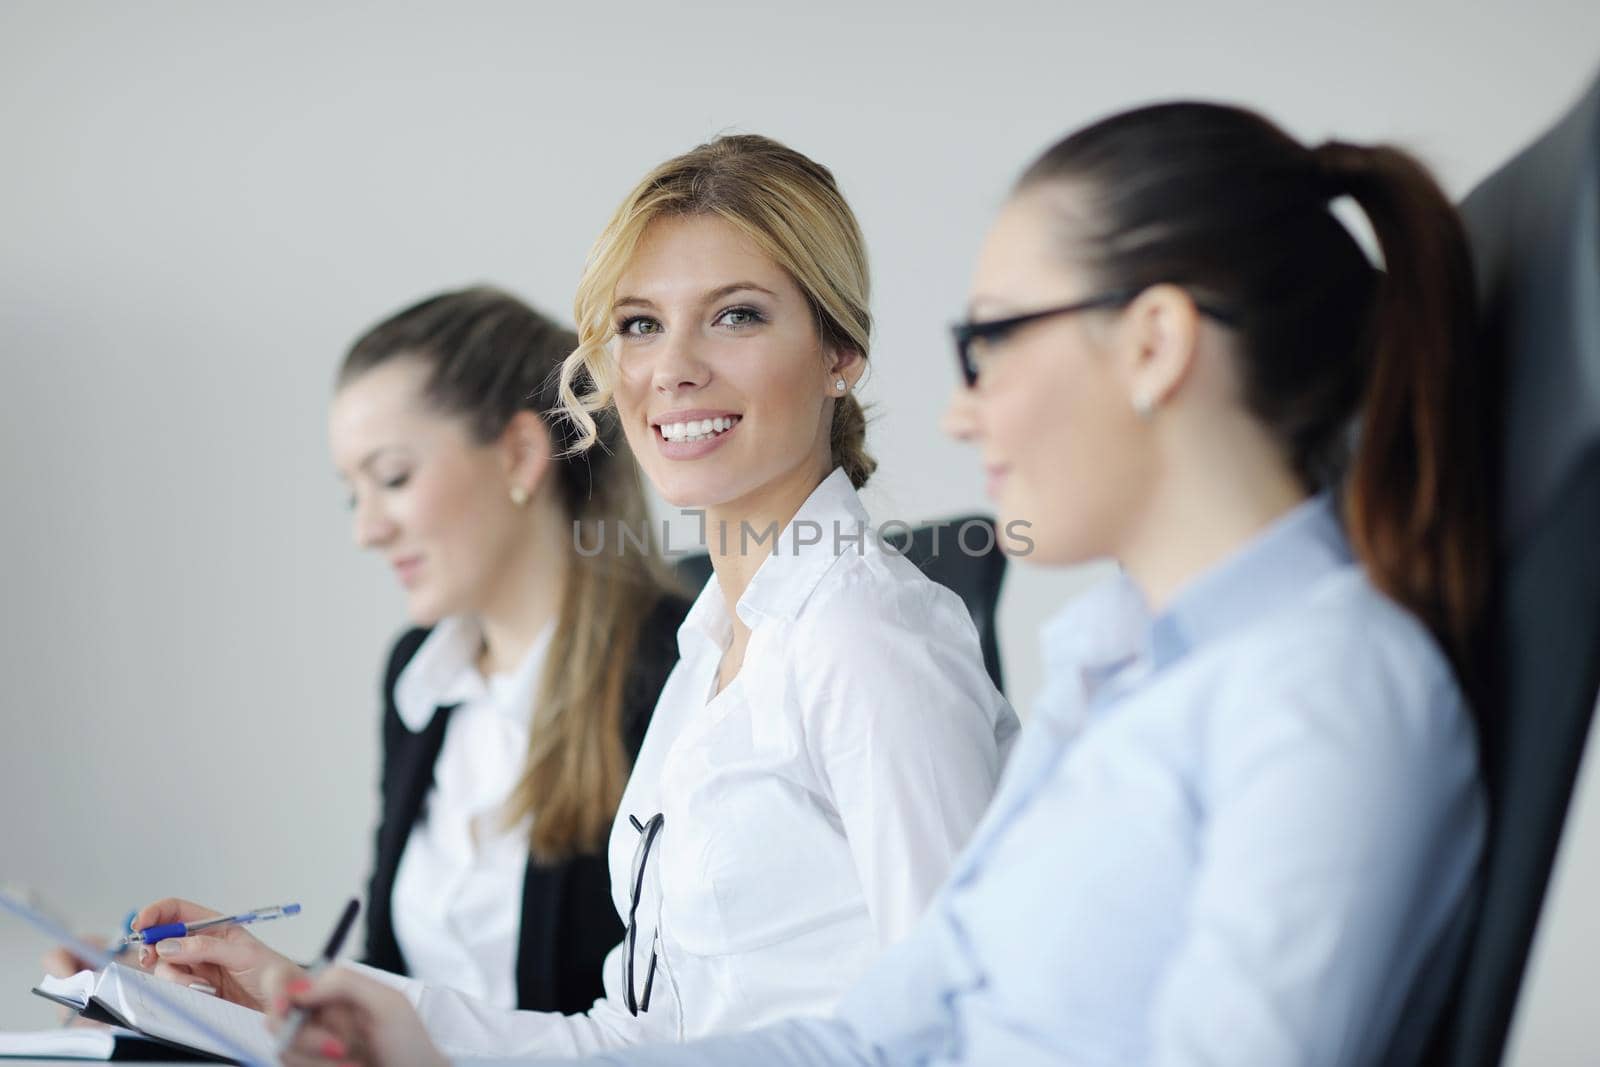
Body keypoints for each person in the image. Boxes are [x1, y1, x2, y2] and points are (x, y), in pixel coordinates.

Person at [262, 100, 1493, 1067]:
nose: (963, 408)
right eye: (634, 326)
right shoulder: (1104, 660)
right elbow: (866, 1031)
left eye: (994, 341)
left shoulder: (1310, 688)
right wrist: (389, 1026)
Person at [136, 135, 1018, 1058]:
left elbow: (966, 1028)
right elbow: (626, 1039)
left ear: (840, 350)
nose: (671, 367)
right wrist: (307, 992)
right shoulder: (713, 646)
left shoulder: (864, 636)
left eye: (737, 315)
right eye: (638, 324)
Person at [117, 288, 691, 1014]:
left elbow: (669, 1023)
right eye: (351, 495)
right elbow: (406, 981)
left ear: (518, 453)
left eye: (391, 478)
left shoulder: (678, 671)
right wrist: (250, 995)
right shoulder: (420, 679)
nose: (366, 530)